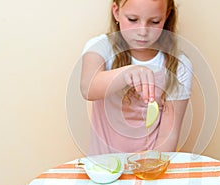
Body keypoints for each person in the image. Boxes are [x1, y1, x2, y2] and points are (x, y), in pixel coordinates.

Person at [80, 0, 193, 155]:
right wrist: (127, 73)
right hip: (104, 168)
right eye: (133, 20)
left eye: (154, 21)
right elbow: (88, 88)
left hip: (150, 166)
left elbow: (169, 135)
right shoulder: (100, 47)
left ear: (166, 16)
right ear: (116, 12)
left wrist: (150, 166)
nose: (143, 31)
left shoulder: (178, 65)